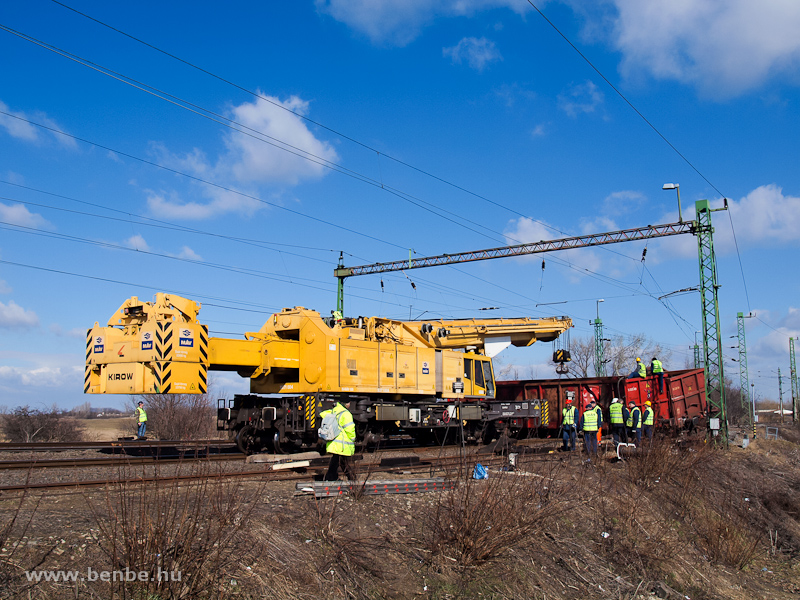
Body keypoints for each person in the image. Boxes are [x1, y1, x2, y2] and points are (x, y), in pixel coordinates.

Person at [320, 400, 357, 481]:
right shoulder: (346, 414)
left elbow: (322, 414)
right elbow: (350, 428)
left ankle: (330, 478)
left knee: (337, 461)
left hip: (334, 443)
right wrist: (353, 438)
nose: (349, 404)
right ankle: (353, 481)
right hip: (343, 444)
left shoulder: (334, 411)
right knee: (344, 463)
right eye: (348, 402)